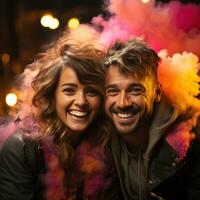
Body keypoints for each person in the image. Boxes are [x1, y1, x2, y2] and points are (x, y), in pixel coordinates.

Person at [0, 31, 118, 200]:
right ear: (52, 95)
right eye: (69, 90)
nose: (81, 101)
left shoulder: (106, 145)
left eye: (91, 91)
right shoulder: (22, 148)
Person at [103, 38, 200, 200]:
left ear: (157, 93)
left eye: (135, 90)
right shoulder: (101, 141)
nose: (122, 103)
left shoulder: (192, 140)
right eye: (113, 91)